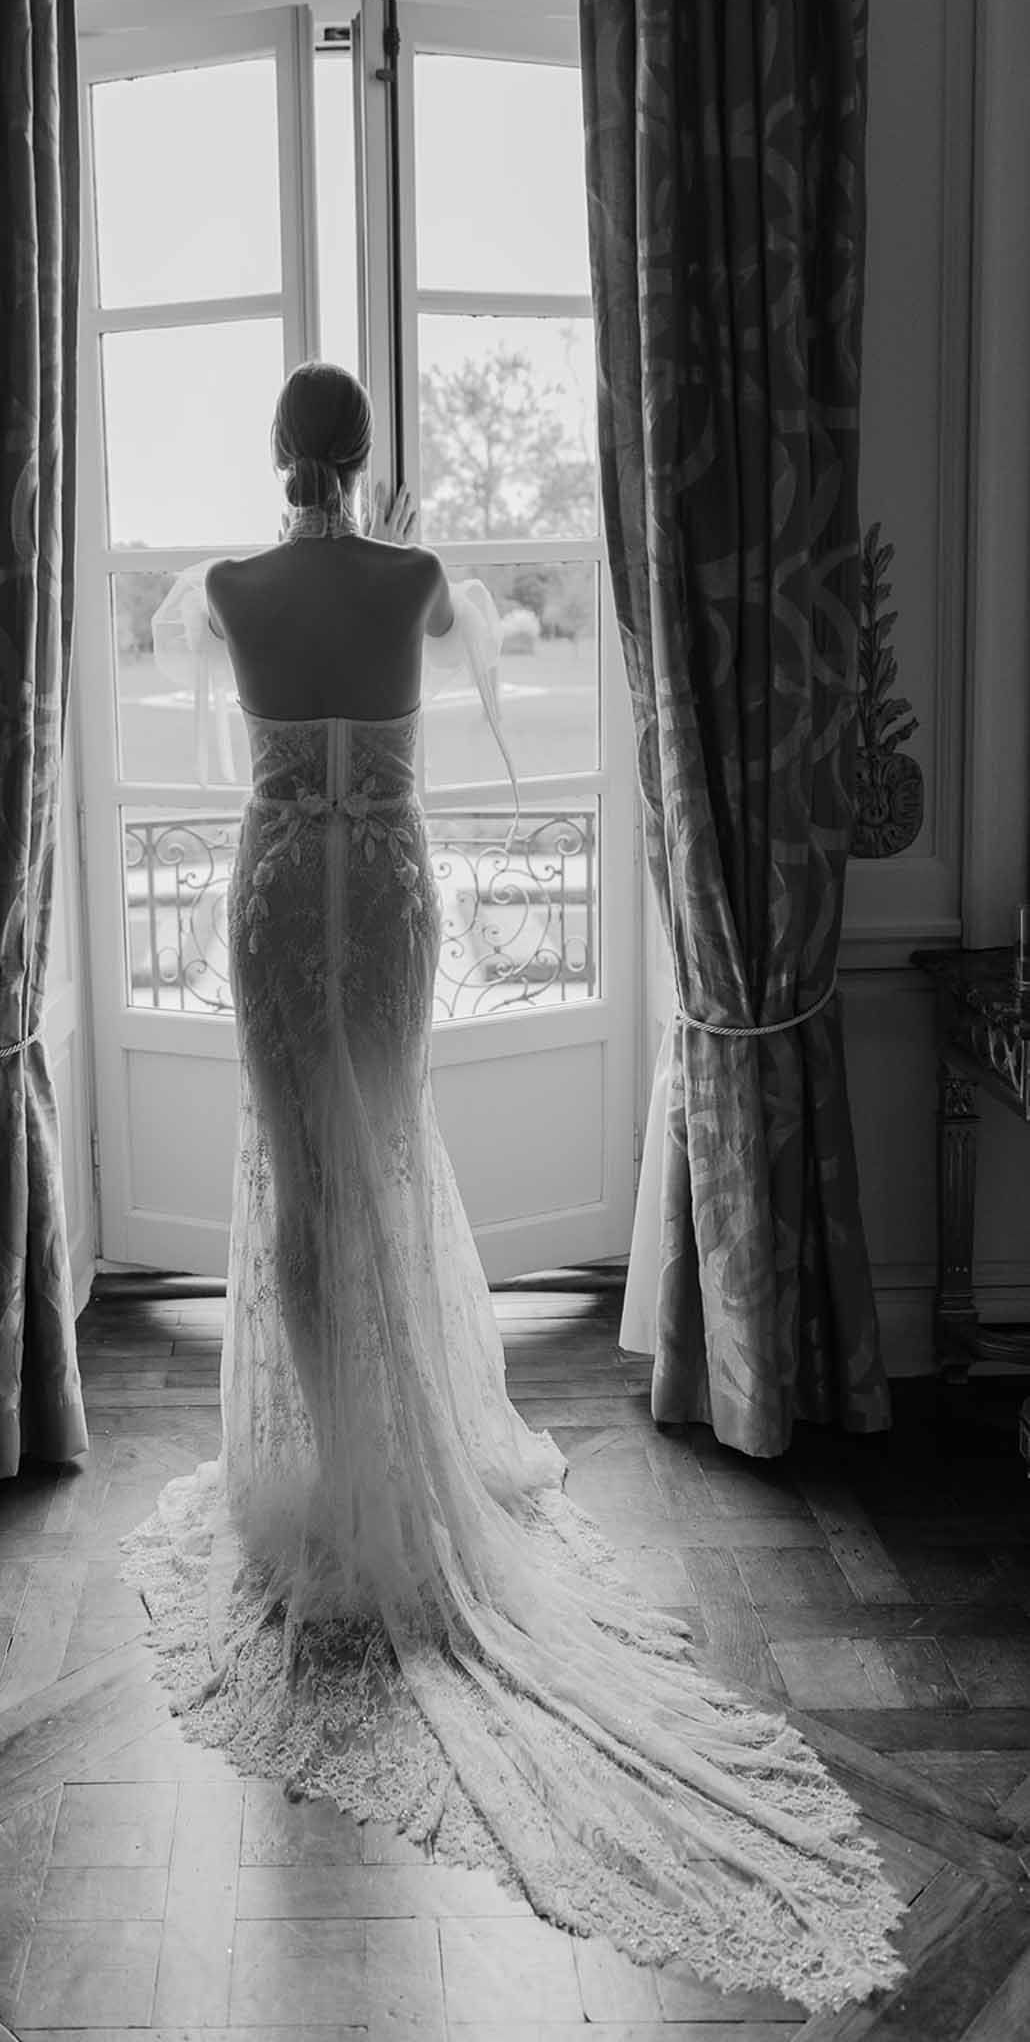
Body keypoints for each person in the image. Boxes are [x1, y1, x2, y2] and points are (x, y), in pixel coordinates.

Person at [121, 361, 905, 2012]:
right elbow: (445, 711)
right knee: (381, 1158)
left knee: (311, 1186)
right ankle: (381, 1462)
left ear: (278, 457)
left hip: (276, 897)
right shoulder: (415, 580)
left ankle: (333, 1457)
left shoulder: (231, 589)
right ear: (364, 460)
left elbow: (220, 739)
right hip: (388, 893)